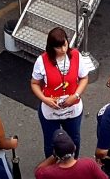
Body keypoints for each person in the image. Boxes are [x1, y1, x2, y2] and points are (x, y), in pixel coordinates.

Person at [31, 27, 91, 157]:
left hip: (73, 109)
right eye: (58, 47)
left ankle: (72, 167)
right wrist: (45, 99)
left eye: (64, 45)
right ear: (51, 47)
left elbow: (84, 78)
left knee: (74, 141)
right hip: (50, 111)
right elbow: (34, 83)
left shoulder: (76, 55)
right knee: (50, 143)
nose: (63, 50)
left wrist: (75, 96)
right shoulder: (42, 61)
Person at [36, 129, 107, 179]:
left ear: (55, 153)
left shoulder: (48, 173)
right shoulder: (89, 164)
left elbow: (38, 172)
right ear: (75, 148)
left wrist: (54, 156)